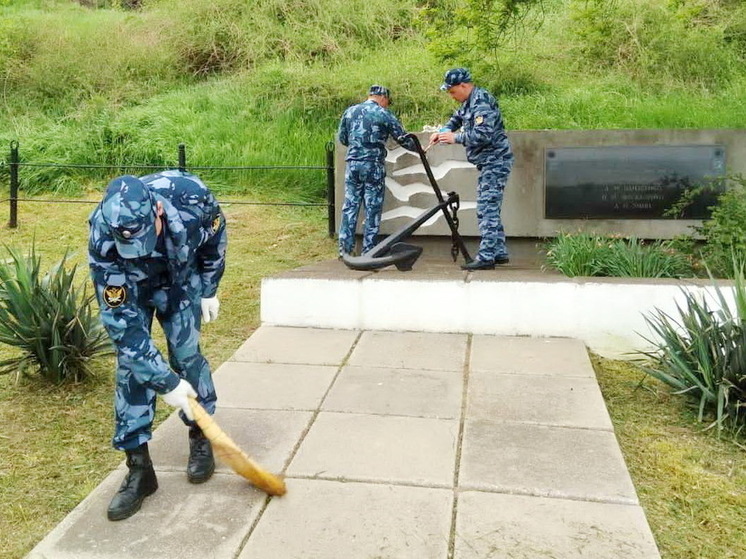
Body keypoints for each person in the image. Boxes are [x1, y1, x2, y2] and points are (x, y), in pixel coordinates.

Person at [88, 169, 227, 521]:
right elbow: (123, 326)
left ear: (158, 213)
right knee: (132, 369)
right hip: (131, 288)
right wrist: (165, 384)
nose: (136, 250)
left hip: (180, 281)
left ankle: (201, 434)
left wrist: (210, 287)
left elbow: (214, 238)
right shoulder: (103, 232)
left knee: (186, 357)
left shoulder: (190, 196)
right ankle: (139, 470)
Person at [431, 68, 514, 270]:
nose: (452, 96)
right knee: (490, 206)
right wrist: (444, 130)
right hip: (488, 162)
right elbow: (458, 118)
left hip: (496, 161)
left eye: (452, 92)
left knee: (487, 209)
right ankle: (499, 252)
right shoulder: (468, 101)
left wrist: (455, 138)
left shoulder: (482, 101)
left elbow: (483, 134)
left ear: (464, 85)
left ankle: (486, 257)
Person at [337, 84, 416, 257]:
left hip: (353, 164)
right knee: (372, 207)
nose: (387, 104)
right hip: (373, 165)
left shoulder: (350, 112)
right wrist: (420, 149)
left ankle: (345, 249)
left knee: (350, 206)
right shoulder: (383, 114)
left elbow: (342, 138)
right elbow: (402, 138)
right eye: (388, 101)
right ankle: (369, 250)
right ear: (383, 98)